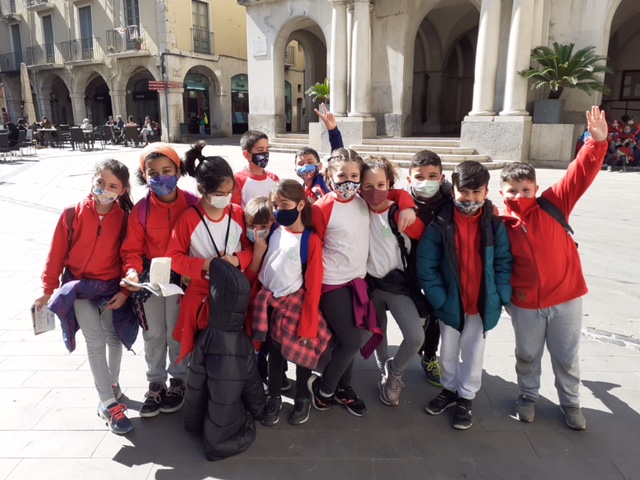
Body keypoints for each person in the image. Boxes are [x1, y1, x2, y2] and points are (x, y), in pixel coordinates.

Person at [499, 106, 608, 431]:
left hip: (566, 298)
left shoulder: (553, 203)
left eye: (525, 190)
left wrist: (596, 142)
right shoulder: (499, 222)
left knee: (566, 356)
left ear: (535, 188)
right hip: (525, 303)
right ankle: (527, 396)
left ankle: (571, 402)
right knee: (527, 354)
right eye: (512, 191)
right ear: (502, 193)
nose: (519, 195)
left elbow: (580, 174)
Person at [308, 148, 417, 417]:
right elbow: (312, 250)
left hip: (357, 282)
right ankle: (324, 390)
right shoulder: (322, 208)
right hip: (331, 284)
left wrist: (407, 204)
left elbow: (393, 193)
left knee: (351, 338)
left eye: (354, 176)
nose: (348, 182)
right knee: (351, 341)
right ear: (330, 176)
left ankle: (345, 389)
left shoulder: (361, 201)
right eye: (341, 176)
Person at [33, 159, 137, 435]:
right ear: (93, 179)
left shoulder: (125, 219)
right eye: (100, 182)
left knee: (114, 338)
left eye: (112, 186)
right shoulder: (71, 214)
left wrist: (125, 290)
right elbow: (56, 253)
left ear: (123, 190)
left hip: (110, 288)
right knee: (95, 341)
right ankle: (109, 404)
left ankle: (111, 385)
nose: (104, 189)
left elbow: (129, 255)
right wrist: (48, 289)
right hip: (77, 287)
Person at [418, 160, 512, 430]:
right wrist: (439, 299)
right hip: (451, 302)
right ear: (453, 190)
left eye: (476, 192)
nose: (469, 198)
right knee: (447, 350)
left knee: (473, 351)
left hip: (480, 303)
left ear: (486, 192)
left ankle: (466, 396)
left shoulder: (494, 224)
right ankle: (449, 389)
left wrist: (501, 295)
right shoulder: (440, 224)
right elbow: (427, 265)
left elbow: (503, 262)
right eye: (464, 192)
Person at [120, 144, 196, 418]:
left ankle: (179, 380)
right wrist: (132, 271)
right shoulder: (140, 210)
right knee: (153, 333)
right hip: (150, 277)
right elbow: (131, 250)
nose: (161, 177)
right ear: (144, 175)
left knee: (177, 331)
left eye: (167, 170)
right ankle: (155, 382)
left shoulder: (192, 203)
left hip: (182, 277)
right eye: (153, 173)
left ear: (178, 171)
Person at [248, 180, 331, 426]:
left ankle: (302, 398)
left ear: (300, 205)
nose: (278, 210)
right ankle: (274, 397)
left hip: (294, 304)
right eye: (275, 205)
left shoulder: (309, 240)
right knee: (274, 353)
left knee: (303, 354)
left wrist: (308, 325)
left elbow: (314, 285)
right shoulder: (274, 230)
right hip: (270, 304)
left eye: (284, 205)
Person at [167, 141, 253, 364]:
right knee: (202, 352)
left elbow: (249, 247)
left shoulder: (237, 213)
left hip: (234, 293)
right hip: (202, 295)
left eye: (229, 193)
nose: (225, 198)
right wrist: (207, 264)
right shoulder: (189, 219)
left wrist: (236, 260)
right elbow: (174, 258)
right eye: (218, 193)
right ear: (201, 189)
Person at [183, 258, 266, 461]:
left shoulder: (206, 336)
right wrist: (260, 410)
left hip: (207, 415)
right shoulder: (242, 341)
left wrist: (192, 423)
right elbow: (252, 383)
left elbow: (195, 383)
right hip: (228, 425)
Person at [361, 155, 425, 406]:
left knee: (415, 337)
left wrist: (406, 203)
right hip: (369, 286)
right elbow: (340, 173)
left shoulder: (401, 214)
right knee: (378, 333)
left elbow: (428, 240)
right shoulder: (357, 209)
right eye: (368, 186)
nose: (375, 191)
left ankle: (395, 370)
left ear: (389, 184)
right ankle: (384, 371)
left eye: (380, 185)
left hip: (397, 286)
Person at [405, 150, 452, 387]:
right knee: (416, 314)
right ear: (409, 179)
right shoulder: (402, 201)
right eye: (419, 176)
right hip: (408, 269)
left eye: (432, 176)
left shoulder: (451, 201)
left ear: (442, 178)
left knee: (436, 314)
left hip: (438, 270)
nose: (426, 182)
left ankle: (430, 356)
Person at [294, 103, 343, 203]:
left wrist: (333, 130)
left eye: (310, 162)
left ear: (320, 166)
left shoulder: (325, 182)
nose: (306, 166)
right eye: (301, 163)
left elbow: (338, 158)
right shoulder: (299, 192)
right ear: (295, 170)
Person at [231, 130, 280, 208]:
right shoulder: (237, 180)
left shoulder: (274, 178)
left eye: (267, 149)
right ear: (246, 154)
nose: (265, 154)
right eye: (260, 150)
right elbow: (235, 209)